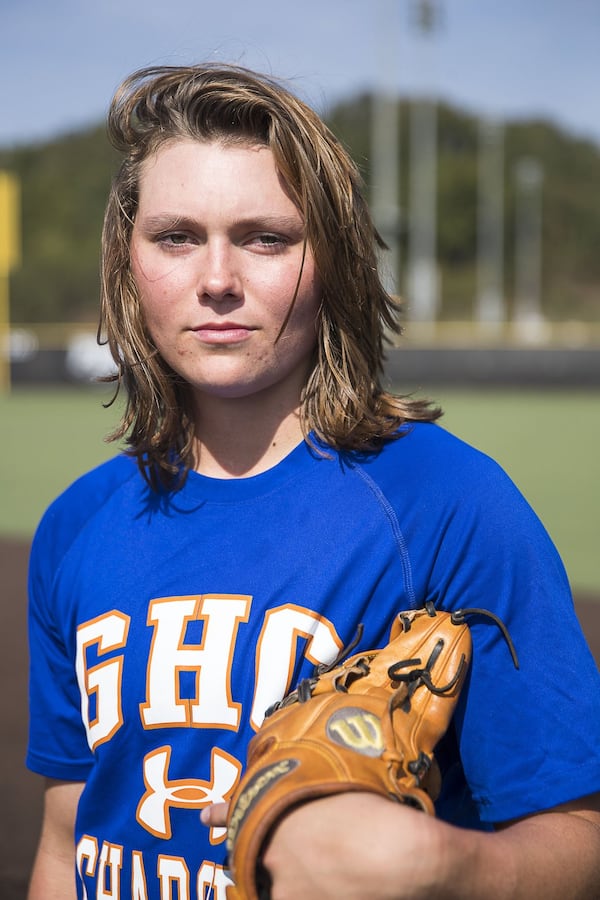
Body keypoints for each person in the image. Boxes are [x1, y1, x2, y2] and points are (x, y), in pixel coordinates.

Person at [26, 63, 600, 900]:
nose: (217, 279)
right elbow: (62, 835)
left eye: (266, 238)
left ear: (330, 259)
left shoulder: (448, 505)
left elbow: (578, 837)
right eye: (176, 237)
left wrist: (441, 867)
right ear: (127, 260)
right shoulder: (75, 524)